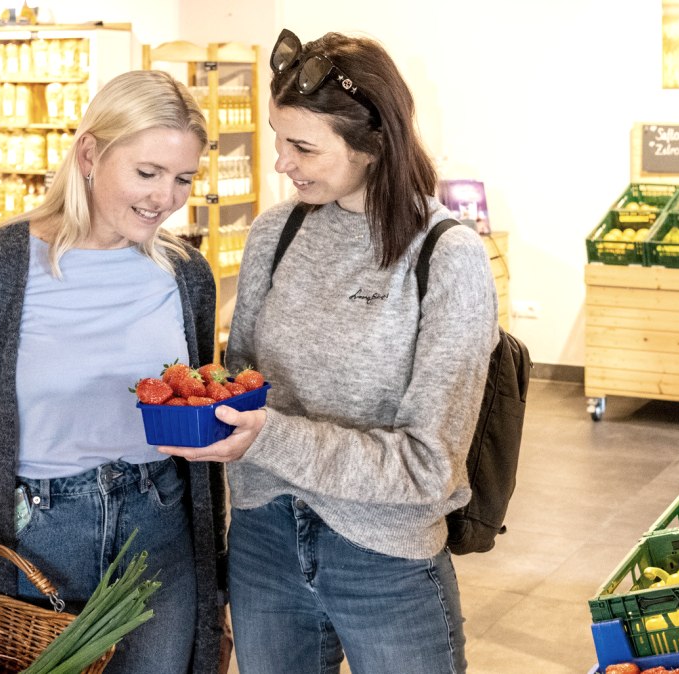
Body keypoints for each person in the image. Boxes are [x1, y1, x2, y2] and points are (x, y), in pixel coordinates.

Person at [159, 29, 499, 674]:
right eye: (277, 139)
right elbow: (241, 386)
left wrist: (265, 437)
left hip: (385, 556)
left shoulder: (445, 257)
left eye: (303, 146)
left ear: (373, 145)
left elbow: (430, 467)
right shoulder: (274, 233)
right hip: (263, 544)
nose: (281, 163)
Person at [0, 69, 225, 674]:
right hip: (29, 541)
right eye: (147, 173)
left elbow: (195, 411)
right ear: (89, 153)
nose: (166, 198)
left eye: (183, 179)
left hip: (160, 534)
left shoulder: (186, 276)